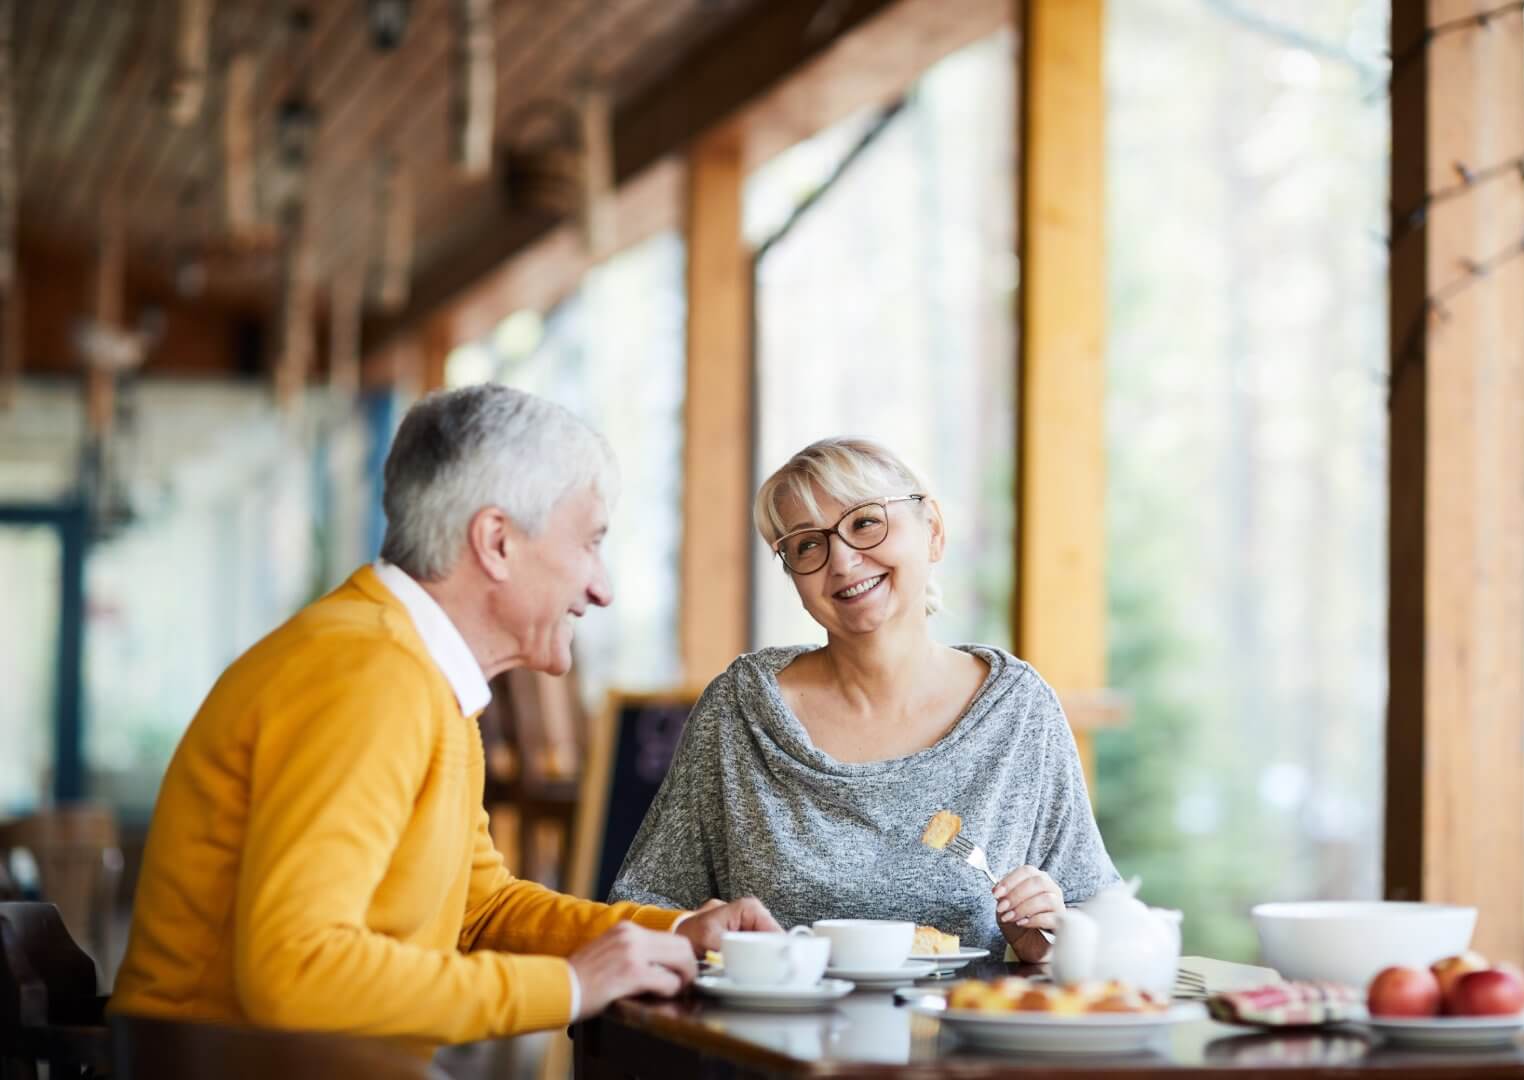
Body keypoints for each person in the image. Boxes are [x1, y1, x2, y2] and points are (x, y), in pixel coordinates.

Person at [111, 385, 777, 1051]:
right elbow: (296, 970)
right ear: (496, 542)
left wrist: (672, 934)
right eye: (590, 543)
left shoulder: (412, 671)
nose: (602, 588)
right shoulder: (370, 676)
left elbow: (480, 909)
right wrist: (572, 987)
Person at [611, 438, 1119, 961]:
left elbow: (1099, 918)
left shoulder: (1018, 711)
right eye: (808, 545)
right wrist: (699, 932)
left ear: (934, 531)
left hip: (962, 1037)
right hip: (770, 1037)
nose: (843, 561)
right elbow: (644, 906)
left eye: (865, 523)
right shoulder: (740, 712)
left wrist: (1052, 937)